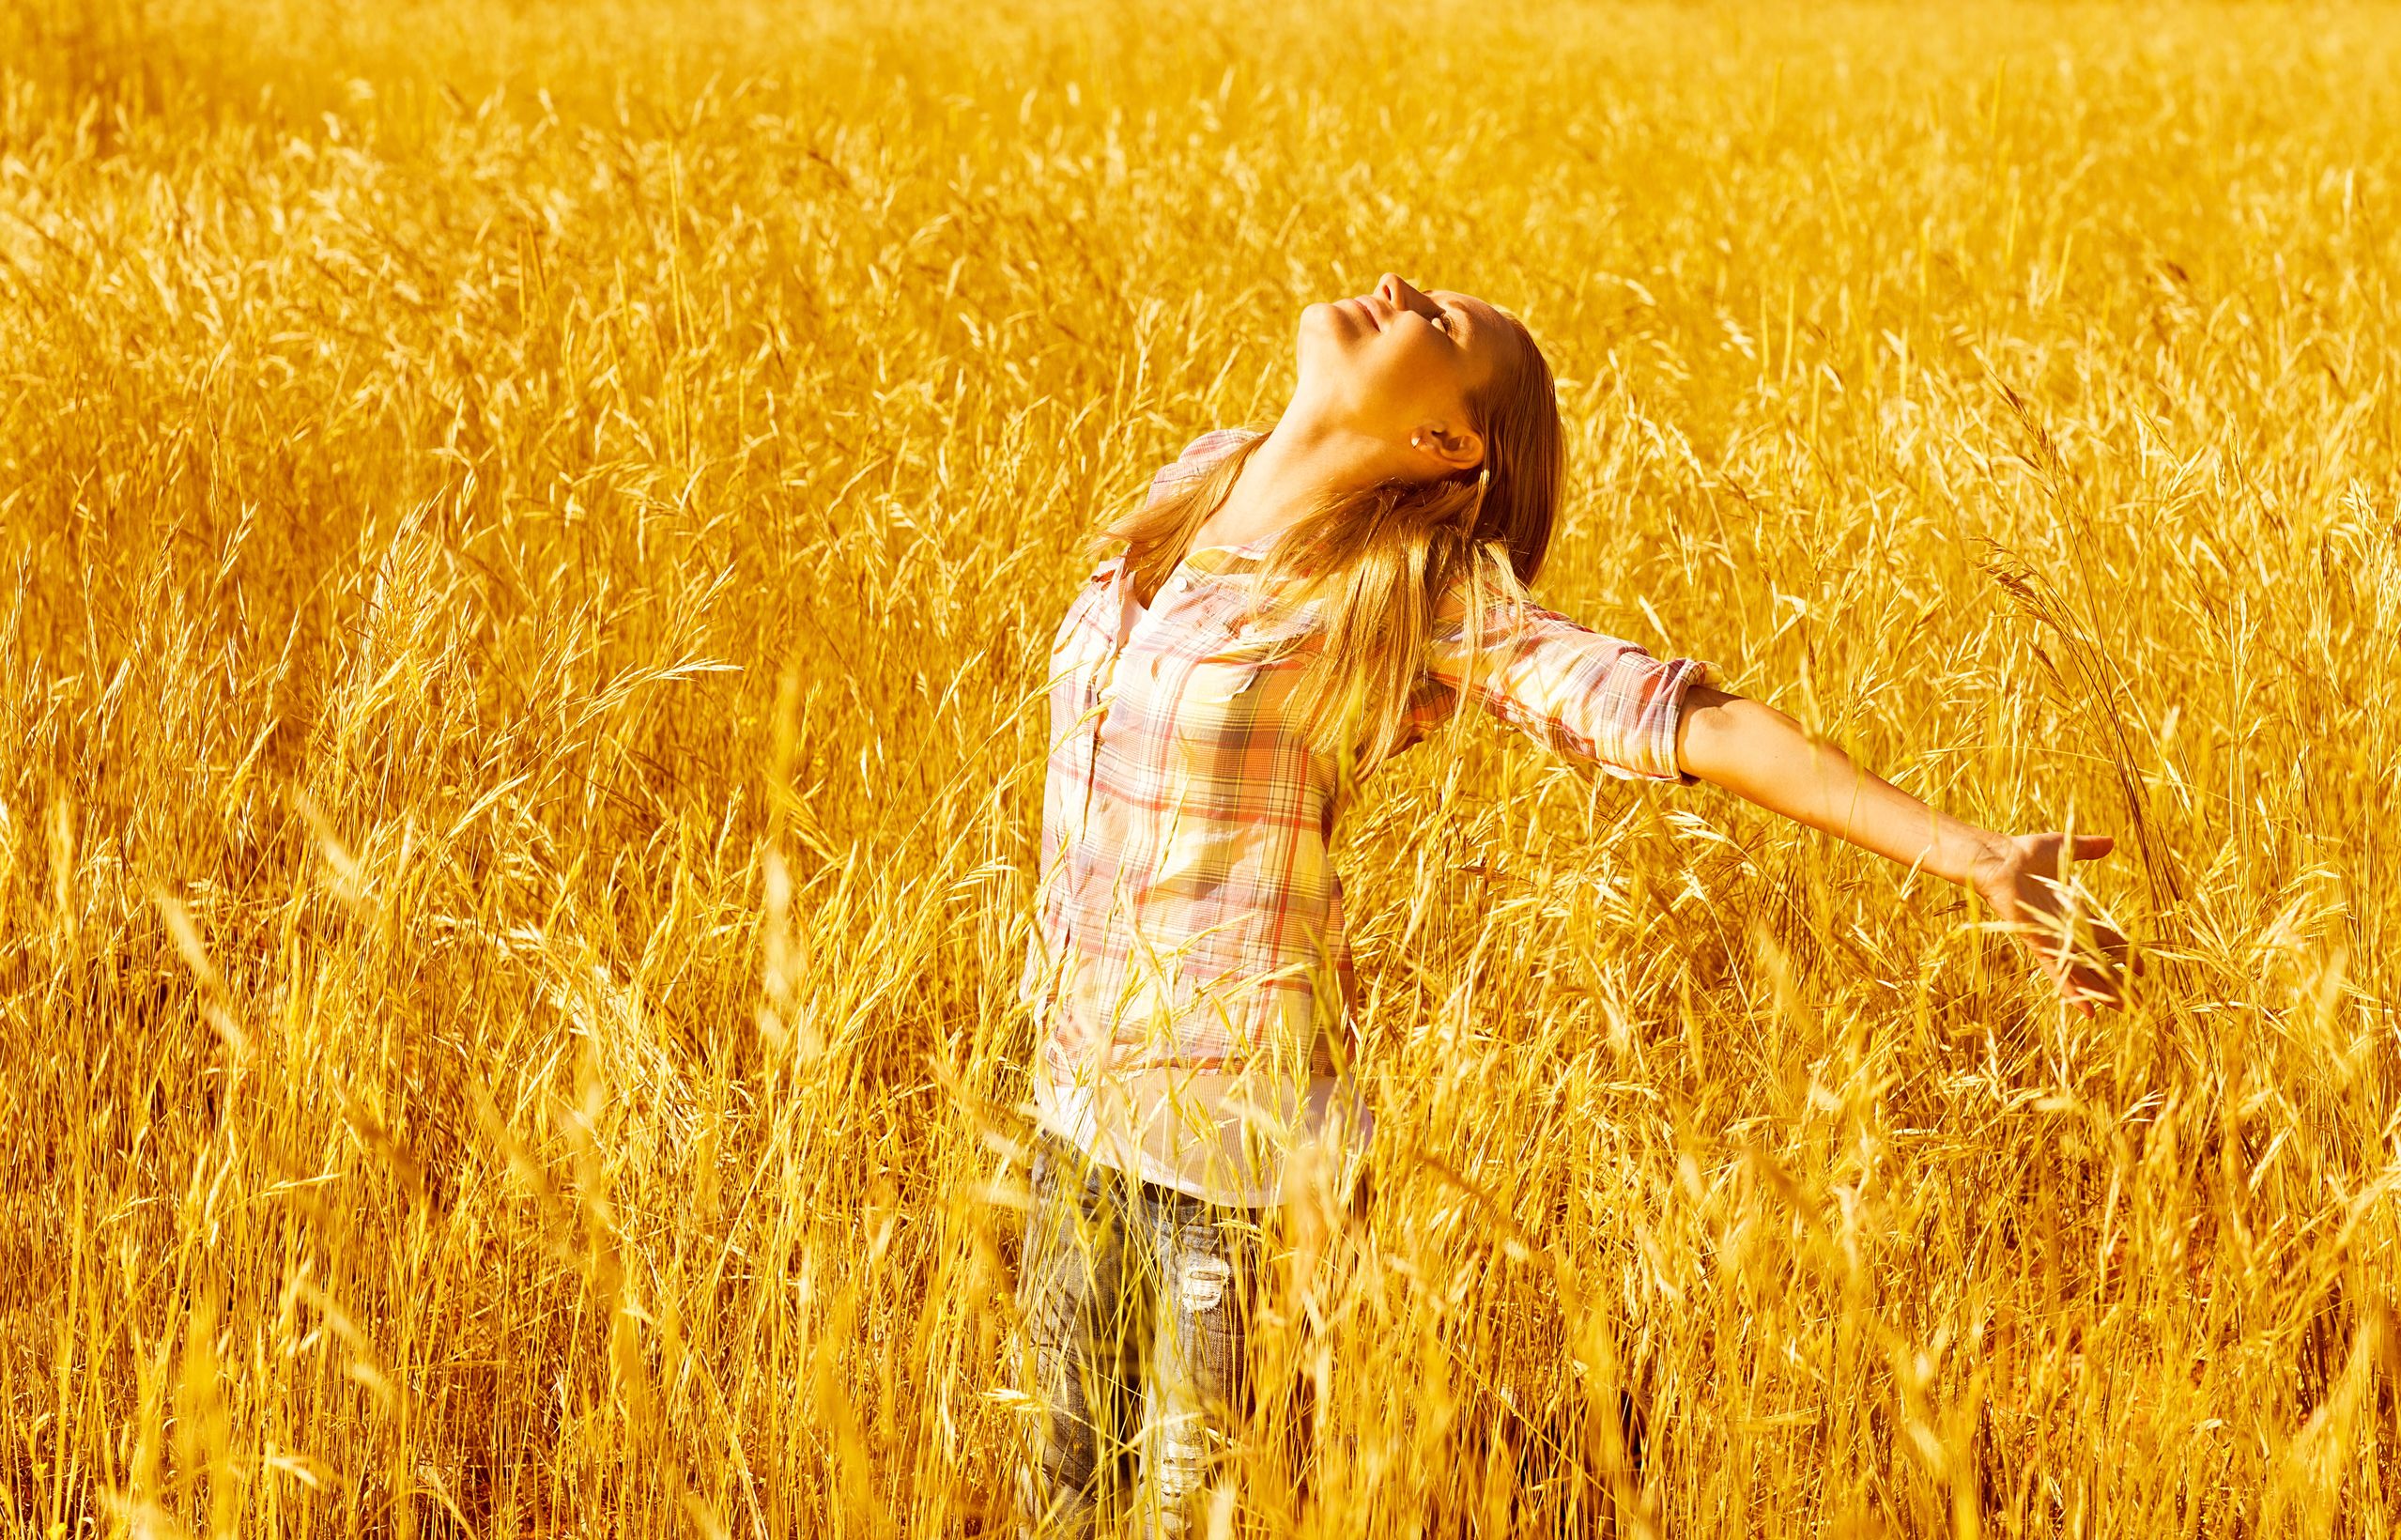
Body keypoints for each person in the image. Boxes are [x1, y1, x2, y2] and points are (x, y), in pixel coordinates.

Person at [1009, 272, 2125, 1536]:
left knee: (1187, 1516)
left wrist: (1969, 853)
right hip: (1075, 1101)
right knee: (1058, 1496)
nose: (1397, 289)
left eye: (1440, 327)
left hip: (1237, 1158)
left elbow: (1669, 713)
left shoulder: (1404, 588)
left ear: (1447, 444)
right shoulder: (1199, 481)